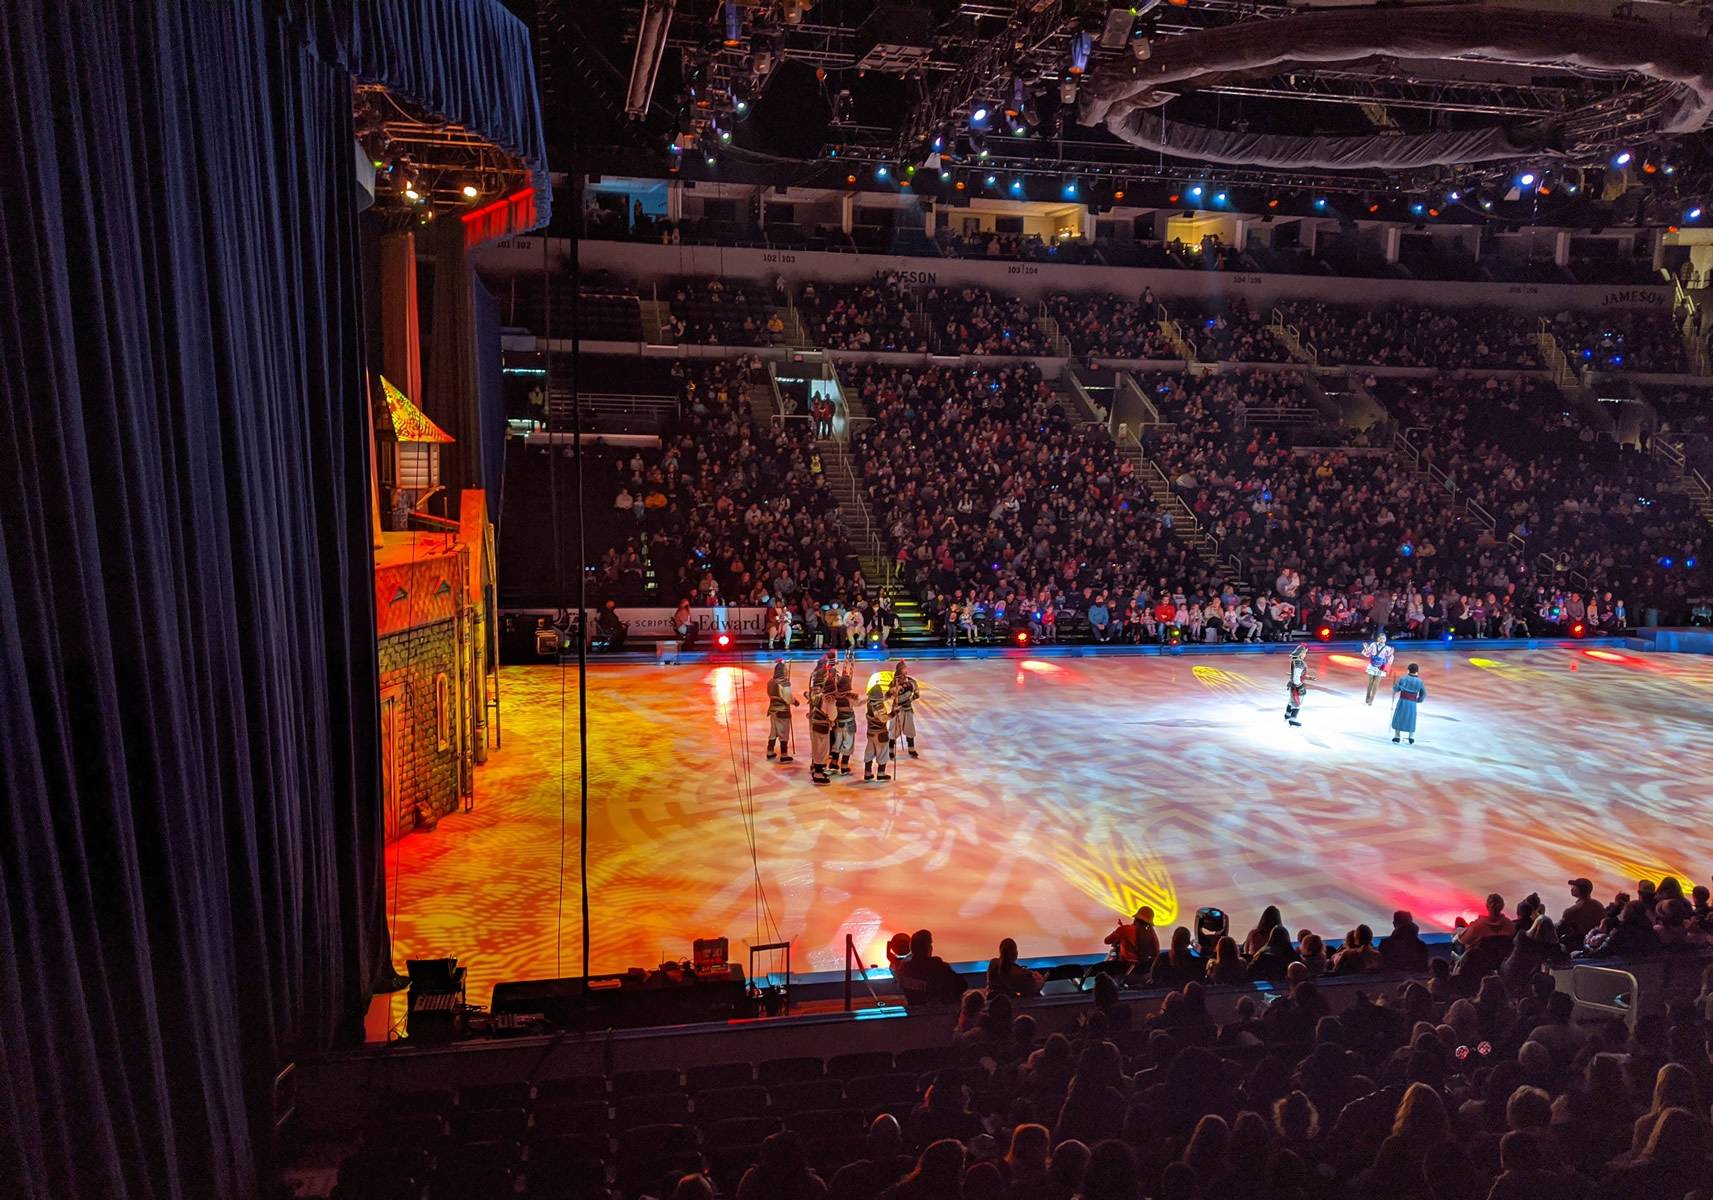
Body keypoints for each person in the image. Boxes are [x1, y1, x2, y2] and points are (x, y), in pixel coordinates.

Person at [893, 929, 967, 1005]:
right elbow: (962, 985)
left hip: (915, 1010)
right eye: (930, 944)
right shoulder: (937, 965)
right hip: (937, 1010)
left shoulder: (904, 968)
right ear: (927, 947)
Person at [1104, 907, 1160, 977]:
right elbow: (1155, 952)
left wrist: (1119, 931)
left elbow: (1106, 941)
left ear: (1136, 918)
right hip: (1141, 970)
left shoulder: (1125, 929)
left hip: (1124, 968)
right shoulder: (1151, 935)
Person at [765, 660, 800, 763]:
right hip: (782, 711)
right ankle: (784, 755)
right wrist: (795, 702)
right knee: (784, 733)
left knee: (773, 732)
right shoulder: (784, 683)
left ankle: (770, 751)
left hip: (772, 710)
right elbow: (788, 698)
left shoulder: (770, 682)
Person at [888, 660, 921, 760]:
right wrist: (895, 690)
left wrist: (911, 698)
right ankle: (890, 751)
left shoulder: (911, 681)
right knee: (894, 730)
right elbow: (889, 695)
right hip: (897, 710)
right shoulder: (894, 683)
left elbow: (917, 693)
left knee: (910, 730)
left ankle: (911, 749)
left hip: (908, 709)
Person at [805, 670, 833, 786]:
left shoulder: (815, 695)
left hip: (815, 725)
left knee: (817, 749)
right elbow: (831, 714)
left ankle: (816, 770)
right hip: (822, 727)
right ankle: (818, 773)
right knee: (821, 751)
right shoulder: (825, 699)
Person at [863, 681, 892, 782]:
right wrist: (893, 713)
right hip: (880, 734)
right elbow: (883, 718)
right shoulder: (879, 706)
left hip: (870, 732)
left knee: (869, 752)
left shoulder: (869, 704)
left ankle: (867, 772)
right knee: (883, 752)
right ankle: (881, 773)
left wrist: (890, 694)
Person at [1391, 661, 1426, 744]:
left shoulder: (1403, 679)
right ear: (1417, 671)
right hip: (1412, 703)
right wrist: (1418, 700)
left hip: (1403, 701)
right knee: (1411, 718)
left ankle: (1397, 736)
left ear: (1408, 670)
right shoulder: (1420, 682)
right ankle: (1411, 737)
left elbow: (1396, 689)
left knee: (1399, 717)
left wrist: (1396, 685)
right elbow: (1423, 693)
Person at [1361, 629, 1394, 706]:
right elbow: (1368, 653)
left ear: (1385, 640)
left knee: (1376, 683)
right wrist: (1366, 648)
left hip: (1381, 667)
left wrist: (1387, 668)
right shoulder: (1373, 644)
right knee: (1370, 683)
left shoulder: (1388, 648)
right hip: (1372, 665)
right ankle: (1367, 697)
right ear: (1378, 639)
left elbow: (1390, 659)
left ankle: (1371, 700)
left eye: (1384, 638)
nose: (1382, 640)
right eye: (1381, 638)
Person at [1284, 644, 1311, 726]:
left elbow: (1295, 674)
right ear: (1301, 653)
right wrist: (1300, 687)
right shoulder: (1299, 663)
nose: (1305, 655)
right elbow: (1296, 678)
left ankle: (1287, 715)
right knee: (1297, 703)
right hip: (1296, 686)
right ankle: (1292, 720)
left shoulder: (1295, 661)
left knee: (1291, 701)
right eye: (1305, 653)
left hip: (1293, 684)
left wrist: (1307, 677)